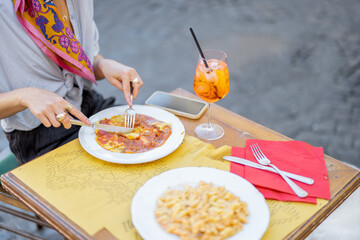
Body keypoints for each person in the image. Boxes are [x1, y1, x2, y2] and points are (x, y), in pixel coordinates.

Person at [0, 0, 143, 164]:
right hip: (40, 135)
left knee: (151, 145)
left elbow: (78, 59)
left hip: (88, 106)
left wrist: (102, 65)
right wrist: (25, 97)